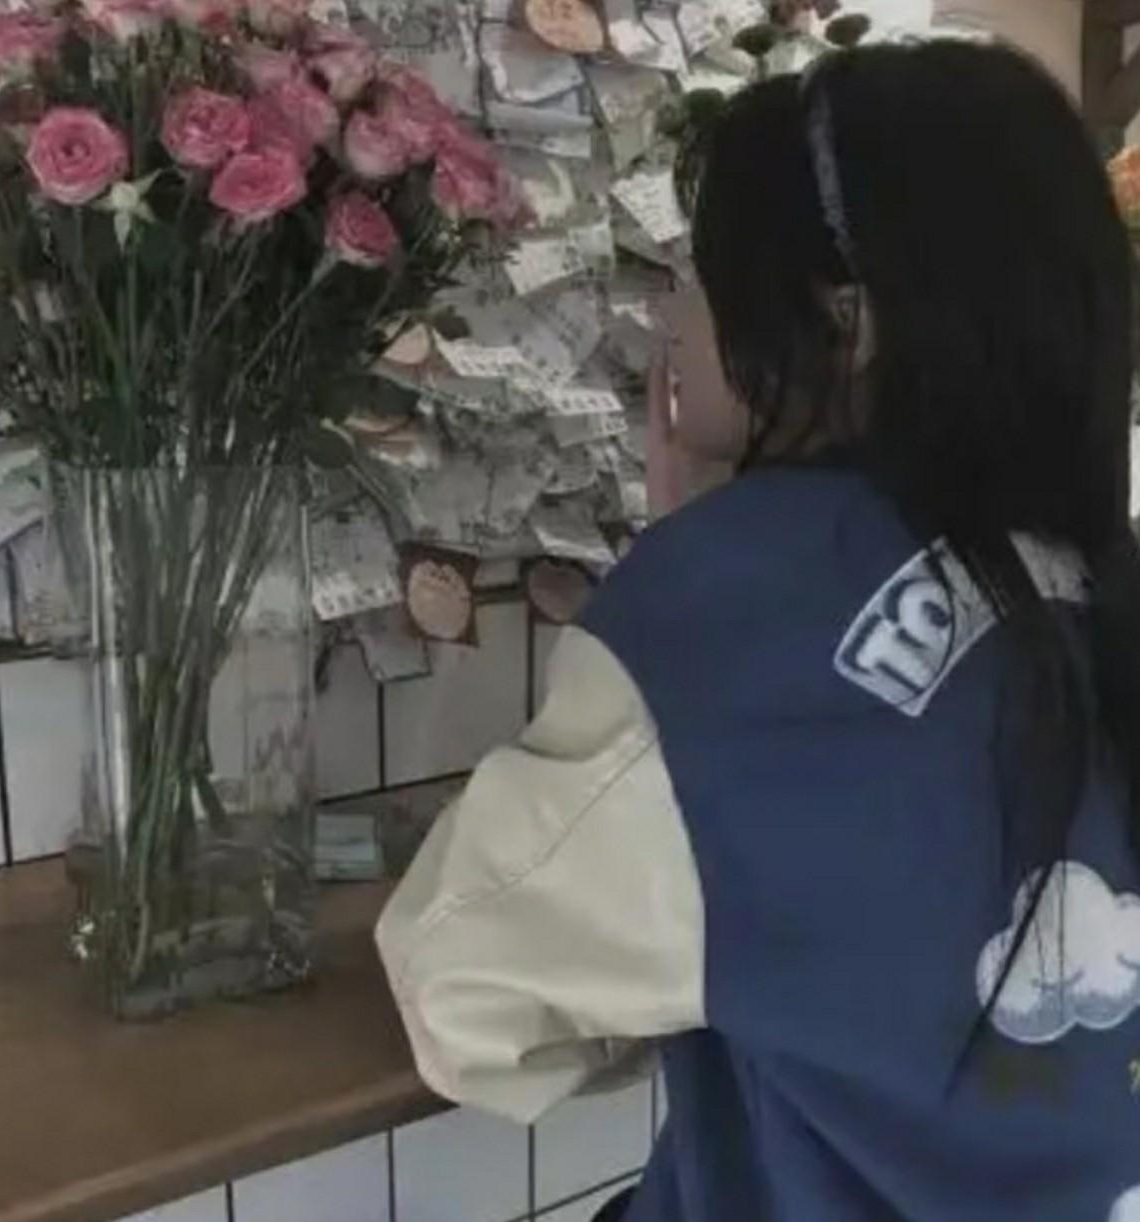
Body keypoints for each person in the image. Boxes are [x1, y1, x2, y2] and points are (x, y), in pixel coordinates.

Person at [378, 39, 1140, 1221]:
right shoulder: (1104, 576)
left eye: (698, 269)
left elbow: (464, 1001)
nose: (668, 311)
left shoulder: (732, 622)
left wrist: (701, 576)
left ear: (846, 321)